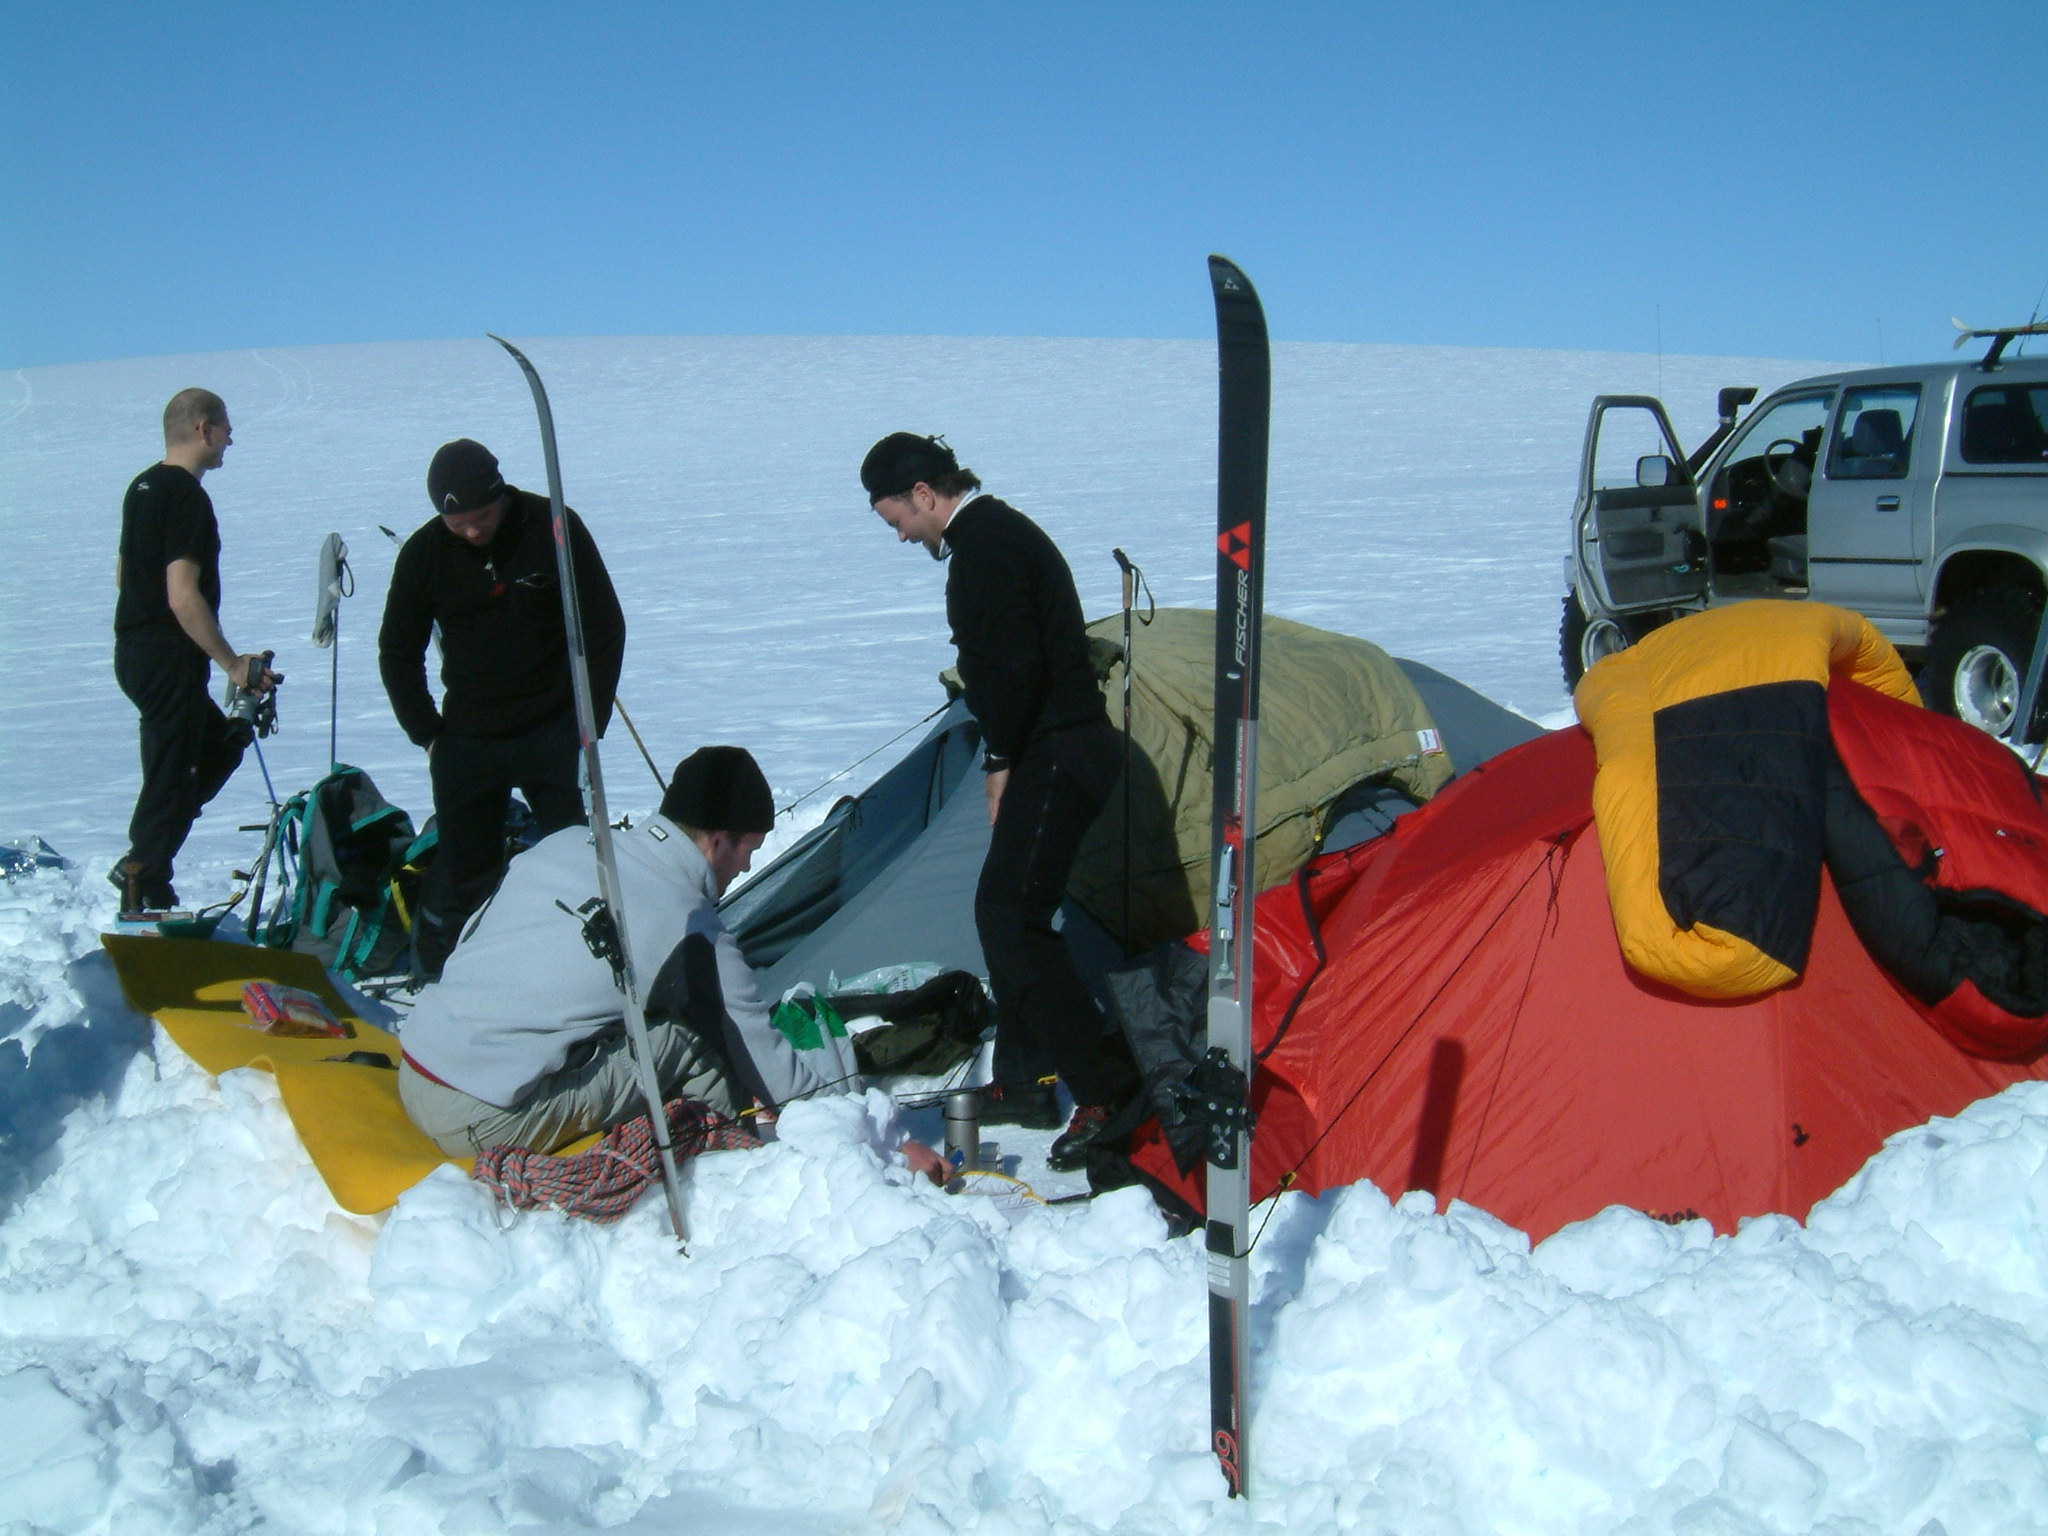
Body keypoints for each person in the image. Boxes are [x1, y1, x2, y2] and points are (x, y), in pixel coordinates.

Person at [860, 432, 1137, 1170]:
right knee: (1014, 910)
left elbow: (1009, 671)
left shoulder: (982, 552)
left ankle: (1110, 1089)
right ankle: (1028, 1077)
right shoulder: (999, 535)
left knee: (1009, 916)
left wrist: (1003, 758)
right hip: (1064, 746)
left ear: (925, 494)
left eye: (896, 519)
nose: (900, 536)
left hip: (1059, 750)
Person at [398, 745, 857, 1156]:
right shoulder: (691, 928)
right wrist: (857, 1131)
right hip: (478, 1117)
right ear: (719, 841)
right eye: (749, 850)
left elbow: (473, 937)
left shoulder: (566, 844)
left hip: (417, 1064)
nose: (748, 866)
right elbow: (782, 1081)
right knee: (694, 1039)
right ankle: (737, 1167)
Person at [379, 438, 626, 980]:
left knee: (573, 859)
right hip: (467, 735)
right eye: (457, 522)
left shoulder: (552, 525)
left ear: (502, 496)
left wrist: (591, 722)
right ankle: (443, 981)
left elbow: (604, 626)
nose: (471, 530)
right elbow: (398, 650)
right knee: (463, 869)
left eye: (482, 516)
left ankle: (586, 974)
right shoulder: (423, 553)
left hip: (553, 728)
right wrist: (427, 732)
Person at [111, 388, 280, 915]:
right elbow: (182, 594)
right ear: (204, 428)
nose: (232, 437)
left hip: (137, 652)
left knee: (216, 747)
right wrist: (232, 664)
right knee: (173, 771)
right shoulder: (185, 495)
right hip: (165, 657)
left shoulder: (142, 487)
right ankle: (143, 880)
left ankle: (148, 866)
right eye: (226, 426)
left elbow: (124, 575)